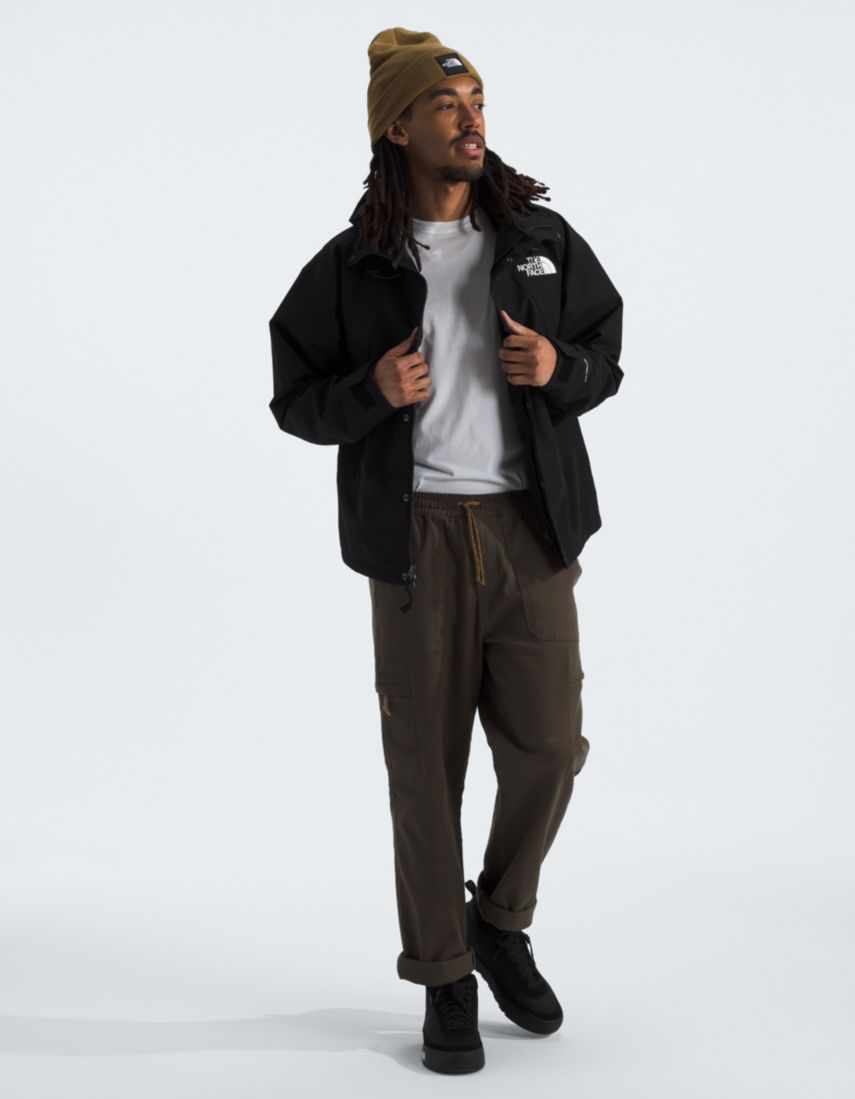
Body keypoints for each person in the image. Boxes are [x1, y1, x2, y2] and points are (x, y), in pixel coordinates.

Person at [268, 27, 624, 1075]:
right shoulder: (355, 265)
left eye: (477, 104)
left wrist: (559, 366)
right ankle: (444, 973)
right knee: (425, 775)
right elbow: (294, 398)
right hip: (414, 539)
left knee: (550, 750)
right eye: (446, 105)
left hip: (530, 532)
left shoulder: (539, 238)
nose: (472, 121)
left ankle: (499, 920)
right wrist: (371, 391)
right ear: (397, 126)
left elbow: (606, 351)